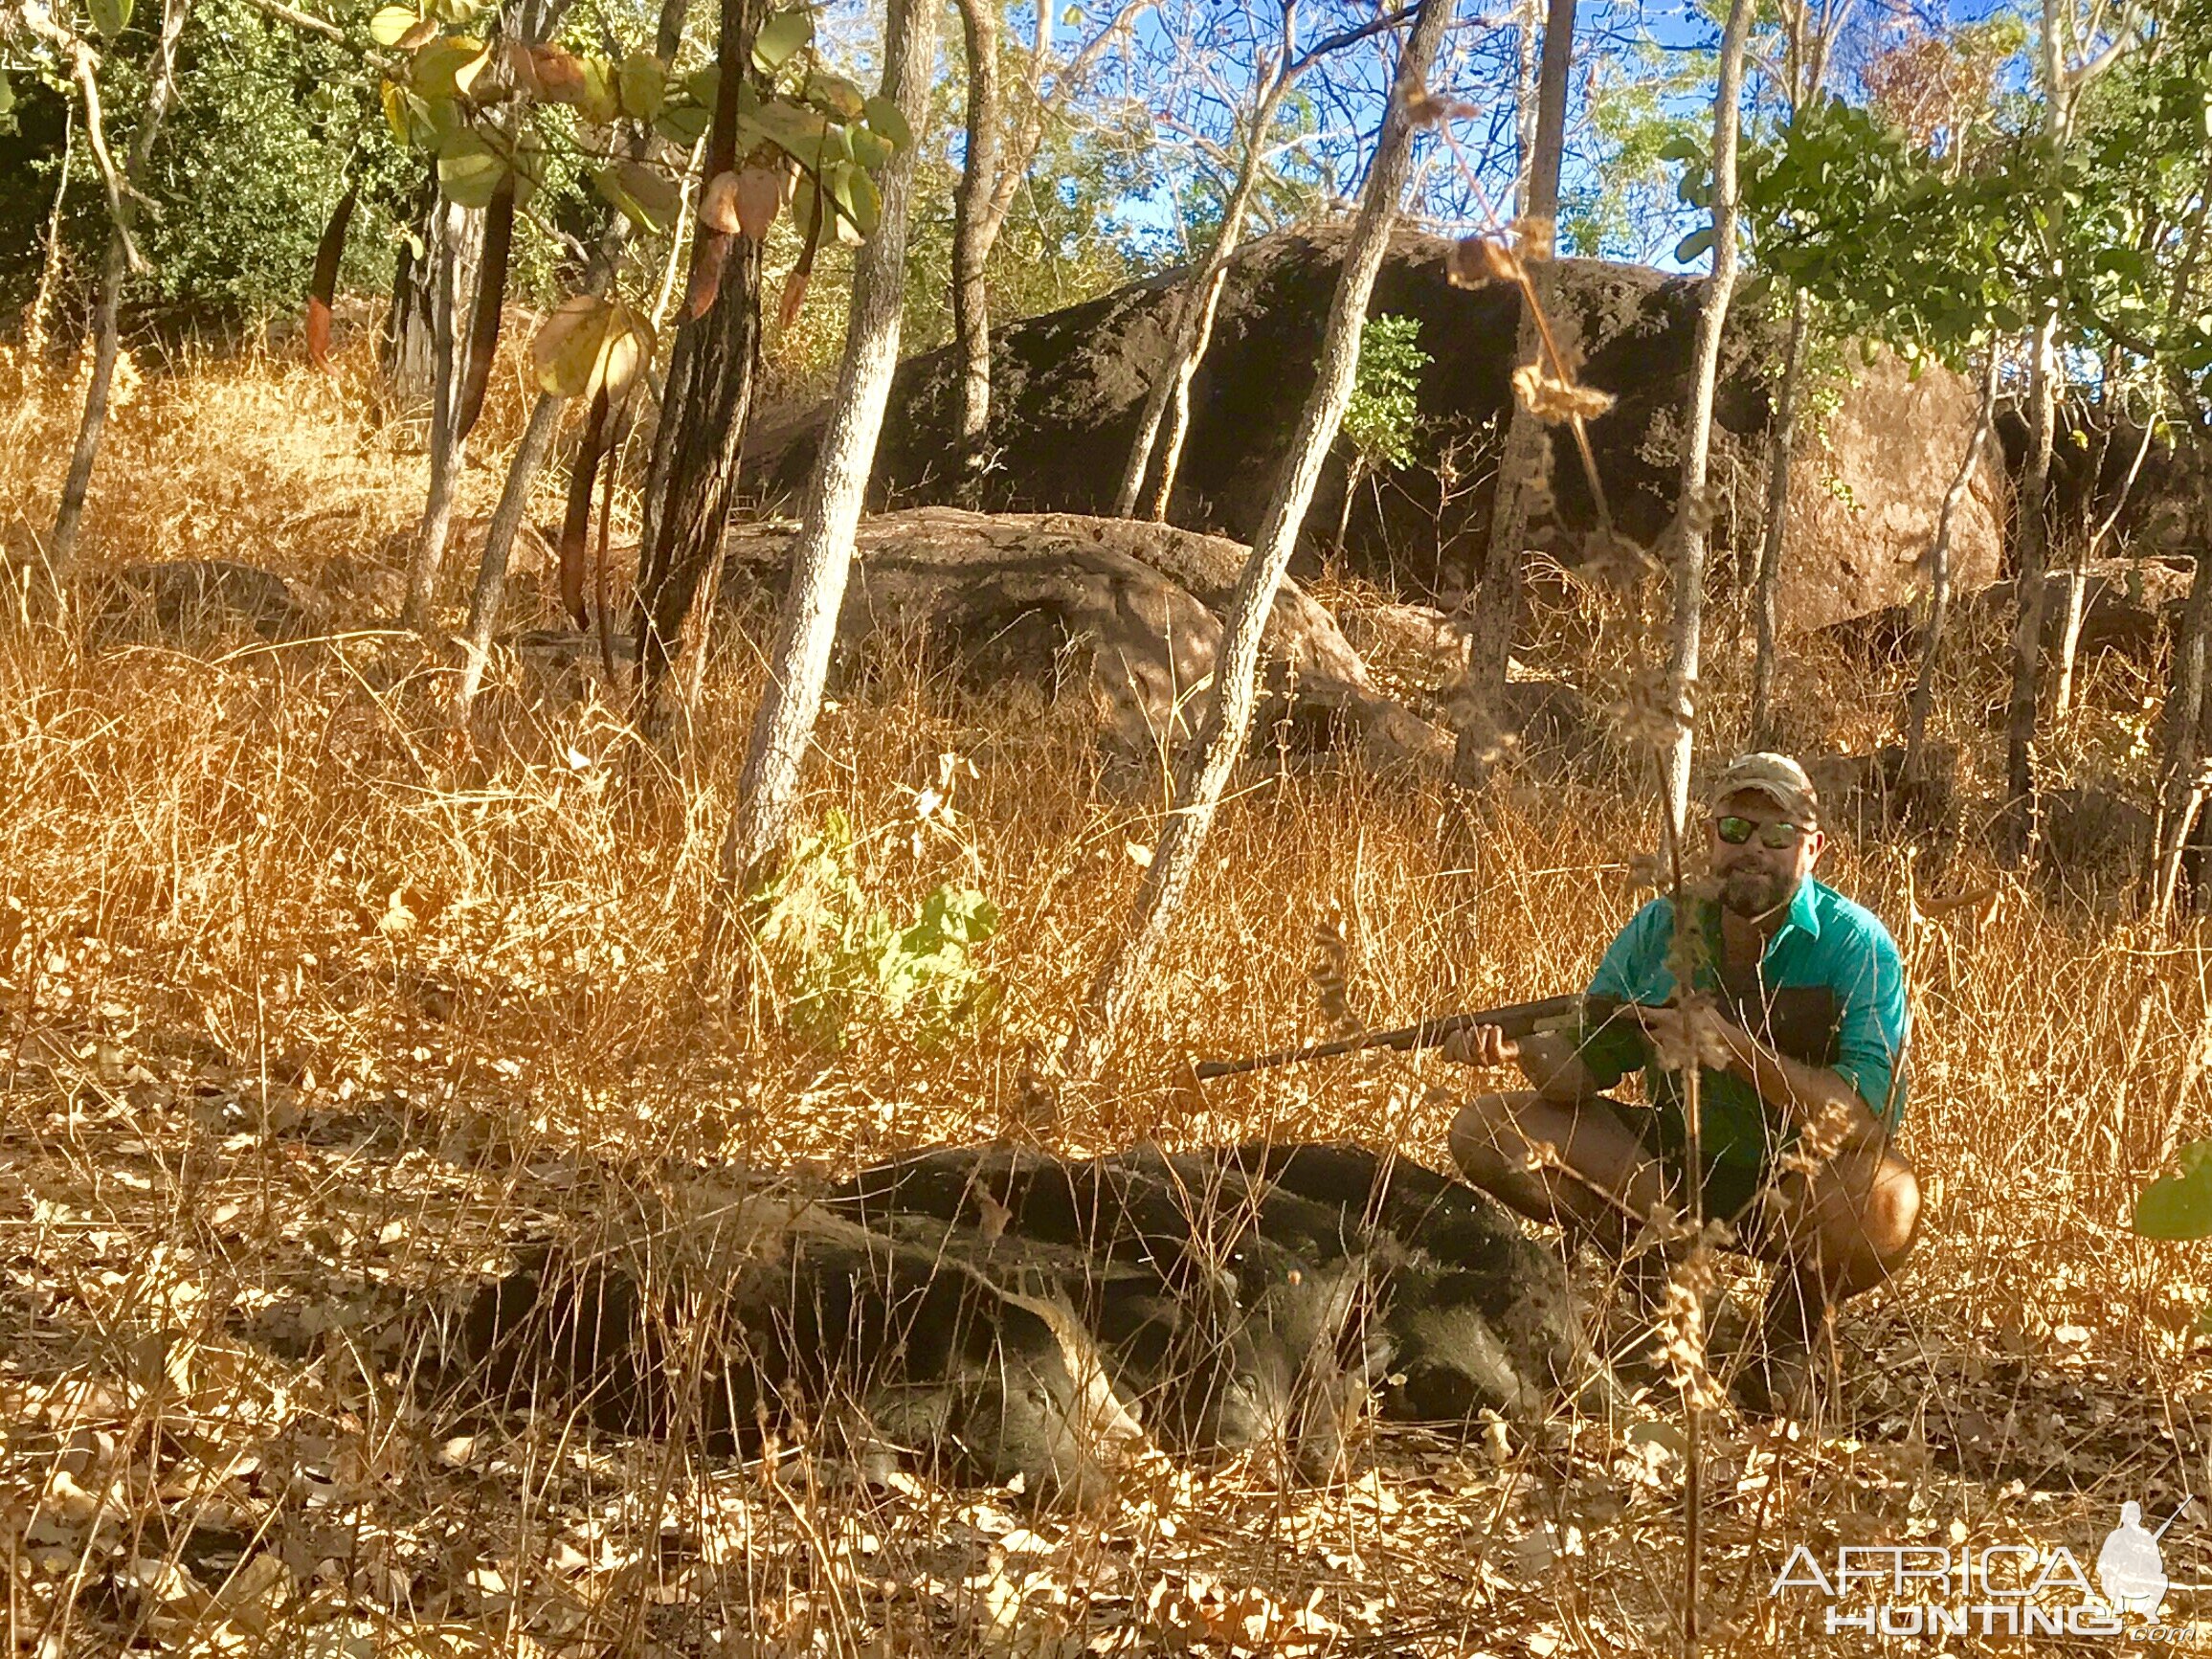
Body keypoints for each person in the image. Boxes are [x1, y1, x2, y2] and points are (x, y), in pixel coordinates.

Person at [1442, 751, 1920, 1417]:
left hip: (1789, 1180)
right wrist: (1516, 1050)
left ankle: (1784, 1341)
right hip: (1670, 1166)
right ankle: (1660, 1299)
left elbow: (1868, 1117)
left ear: (1811, 849)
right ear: (1709, 836)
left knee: (1888, 1198)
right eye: (1734, 829)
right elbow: (1581, 1066)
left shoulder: (1857, 946)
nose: (1752, 849)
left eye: (1776, 835)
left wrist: (1735, 1050)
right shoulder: (1657, 926)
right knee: (1483, 1129)